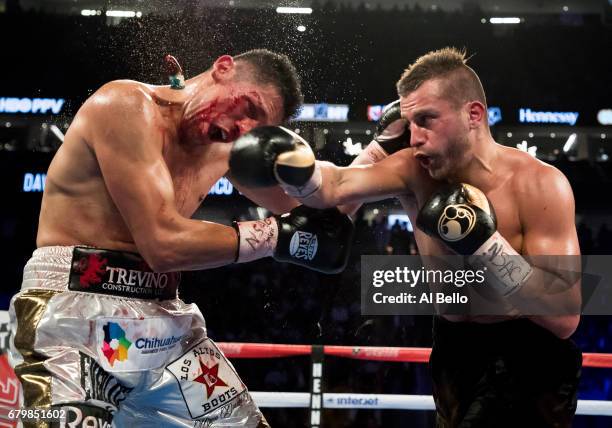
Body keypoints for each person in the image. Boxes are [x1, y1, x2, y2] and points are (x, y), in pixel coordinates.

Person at [229, 47, 582, 427]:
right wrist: (290, 165)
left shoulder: (540, 184)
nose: (415, 138)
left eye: (427, 120)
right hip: (452, 352)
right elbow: (337, 184)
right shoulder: (415, 173)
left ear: (473, 115)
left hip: (529, 356)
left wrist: (485, 244)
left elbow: (565, 316)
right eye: (410, 123)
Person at [8, 49, 355, 428]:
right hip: (75, 312)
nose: (242, 128)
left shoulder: (224, 145)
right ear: (224, 68)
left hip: (165, 324)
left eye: (255, 128)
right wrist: (275, 236)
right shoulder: (124, 104)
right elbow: (162, 244)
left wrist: (385, 147)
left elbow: (319, 195)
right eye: (248, 107)